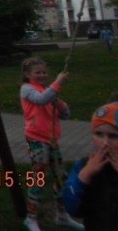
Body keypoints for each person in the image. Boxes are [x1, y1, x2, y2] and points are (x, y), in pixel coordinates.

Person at [19, 57, 83, 231]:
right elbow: (41, 100)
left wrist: (60, 104)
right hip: (36, 140)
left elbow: (66, 115)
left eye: (44, 72)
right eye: (37, 72)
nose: (42, 75)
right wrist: (57, 84)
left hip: (51, 140)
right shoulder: (27, 89)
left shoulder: (48, 90)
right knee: (39, 177)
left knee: (60, 177)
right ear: (27, 74)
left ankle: (62, 215)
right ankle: (30, 218)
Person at [63, 101, 118, 230]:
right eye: (99, 134)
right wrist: (84, 177)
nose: (105, 143)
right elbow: (71, 207)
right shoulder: (84, 165)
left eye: (113, 136)